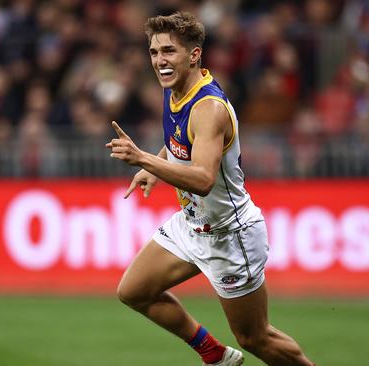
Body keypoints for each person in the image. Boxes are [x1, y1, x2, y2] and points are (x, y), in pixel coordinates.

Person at [106, 12, 316, 366]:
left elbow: (203, 179)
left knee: (256, 337)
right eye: (154, 52)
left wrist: (143, 159)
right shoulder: (175, 88)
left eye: (169, 51)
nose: (160, 60)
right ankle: (215, 354)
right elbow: (181, 141)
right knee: (134, 291)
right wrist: (158, 165)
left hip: (229, 234)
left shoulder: (208, 108)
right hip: (192, 226)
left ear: (194, 55)